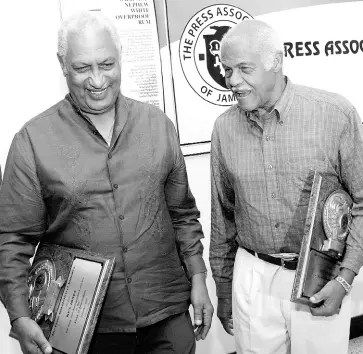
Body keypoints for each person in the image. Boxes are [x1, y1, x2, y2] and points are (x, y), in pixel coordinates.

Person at [0, 11, 213, 354]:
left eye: (106, 64)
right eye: (83, 68)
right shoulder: (32, 141)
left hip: (167, 313)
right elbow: (12, 240)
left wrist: (199, 277)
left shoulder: (157, 125)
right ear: (62, 65)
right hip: (81, 328)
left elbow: (183, 214)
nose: (97, 80)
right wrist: (19, 315)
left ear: (120, 58)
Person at [210, 19, 363, 354]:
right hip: (253, 275)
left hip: (320, 273)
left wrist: (345, 276)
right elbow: (222, 216)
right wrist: (223, 289)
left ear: (275, 62)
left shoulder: (335, 115)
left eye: (244, 69)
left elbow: (361, 203)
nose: (232, 81)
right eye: (227, 70)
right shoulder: (224, 129)